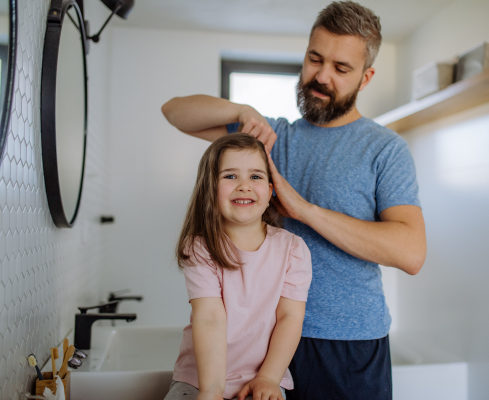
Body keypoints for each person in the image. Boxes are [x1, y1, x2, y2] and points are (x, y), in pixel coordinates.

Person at [162, 2, 427, 398]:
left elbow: (410, 252)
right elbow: (175, 112)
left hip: (347, 344)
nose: (320, 77)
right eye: (314, 59)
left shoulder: (385, 150)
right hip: (263, 342)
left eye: (340, 69)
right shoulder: (270, 137)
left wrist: (304, 210)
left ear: (365, 77)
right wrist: (239, 109)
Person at [165, 134, 312, 400]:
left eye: (255, 177)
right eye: (230, 176)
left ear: (270, 191)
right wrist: (211, 391)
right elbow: (209, 317)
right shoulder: (200, 247)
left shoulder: (293, 249)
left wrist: (268, 377)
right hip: (199, 380)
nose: (244, 186)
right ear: (210, 189)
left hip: (264, 376)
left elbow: (289, 318)